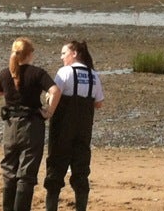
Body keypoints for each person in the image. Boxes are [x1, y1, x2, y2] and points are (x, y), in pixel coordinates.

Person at [0, 38, 62, 211]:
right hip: (31, 126)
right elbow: (55, 91)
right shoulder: (37, 73)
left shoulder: (5, 73)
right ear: (30, 54)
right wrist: (49, 111)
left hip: (10, 126)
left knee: (9, 171)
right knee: (26, 174)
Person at [44, 40, 105, 211]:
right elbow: (99, 103)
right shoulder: (94, 75)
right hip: (84, 130)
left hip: (62, 129)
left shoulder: (65, 72)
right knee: (81, 170)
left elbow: (54, 94)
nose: (61, 57)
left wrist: (48, 109)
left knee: (55, 170)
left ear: (74, 53)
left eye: (64, 53)